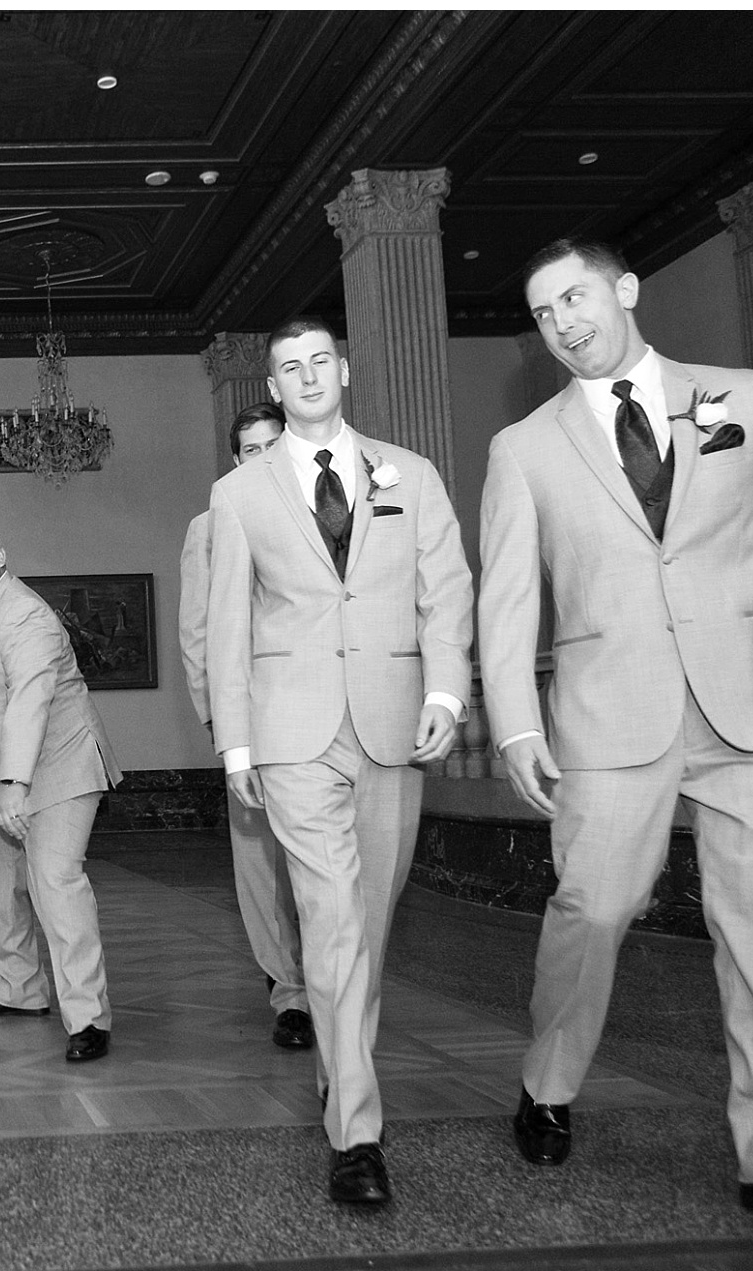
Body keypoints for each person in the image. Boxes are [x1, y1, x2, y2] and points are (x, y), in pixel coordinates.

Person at [480, 238, 753, 1247]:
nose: (559, 320)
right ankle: (546, 1083)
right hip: (607, 717)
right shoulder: (523, 448)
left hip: (752, 710)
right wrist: (512, 718)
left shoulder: (747, 398)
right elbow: (505, 597)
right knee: (590, 909)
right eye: (541, 310)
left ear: (623, 291)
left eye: (572, 296)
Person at [205, 318, 473, 1205]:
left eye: (322, 359)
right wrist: (236, 744)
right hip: (292, 735)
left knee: (370, 917)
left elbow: (447, 593)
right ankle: (357, 1133)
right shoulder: (239, 493)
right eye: (290, 366)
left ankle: (339, 1053)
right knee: (328, 917)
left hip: (393, 723)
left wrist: (445, 692)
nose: (309, 374)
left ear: (345, 371)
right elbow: (227, 626)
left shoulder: (414, 475)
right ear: (275, 388)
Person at [0, 516, 122, 1063]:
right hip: (2, 775)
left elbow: (29, 701)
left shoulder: (26, 618)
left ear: (2, 555)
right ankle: (19, 991)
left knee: (55, 885)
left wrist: (12, 783)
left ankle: (89, 1018)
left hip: (58, 769)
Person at [178, 401, 312, 1052]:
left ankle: (331, 980)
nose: (263, 459)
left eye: (273, 446)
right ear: (237, 460)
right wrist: (219, 722)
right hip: (251, 729)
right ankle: (289, 992)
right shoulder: (209, 526)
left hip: (322, 720)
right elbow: (197, 635)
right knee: (262, 866)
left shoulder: (328, 514)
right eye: (250, 450)